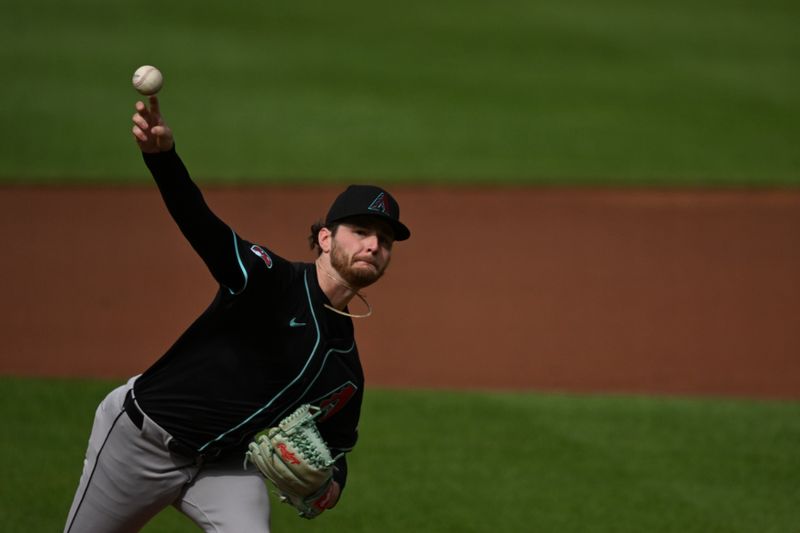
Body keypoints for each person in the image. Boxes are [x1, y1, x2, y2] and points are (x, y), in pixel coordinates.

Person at [63, 96, 411, 533]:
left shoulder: (345, 368)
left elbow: (338, 444)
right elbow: (202, 225)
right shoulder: (269, 280)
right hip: (141, 442)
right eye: (360, 232)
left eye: (384, 240)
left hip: (224, 466)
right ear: (325, 238)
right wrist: (162, 159)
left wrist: (330, 485)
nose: (374, 245)